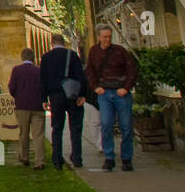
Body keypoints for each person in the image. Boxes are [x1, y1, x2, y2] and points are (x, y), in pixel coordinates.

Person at [85, 24, 138, 171]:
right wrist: (95, 87)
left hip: (121, 92)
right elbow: (90, 71)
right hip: (105, 93)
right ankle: (109, 157)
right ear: (99, 37)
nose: (107, 39)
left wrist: (126, 88)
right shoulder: (94, 52)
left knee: (126, 126)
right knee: (106, 124)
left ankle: (126, 158)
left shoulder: (120, 51)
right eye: (105, 37)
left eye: (109, 36)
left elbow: (132, 69)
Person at [39, 34, 86, 170]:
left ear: (51, 43)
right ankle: (77, 158)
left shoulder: (46, 58)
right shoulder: (72, 55)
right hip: (72, 95)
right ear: (64, 43)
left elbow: (42, 80)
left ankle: (57, 159)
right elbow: (80, 76)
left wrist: (44, 98)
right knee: (76, 128)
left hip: (56, 96)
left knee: (57, 128)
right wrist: (82, 95)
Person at [7, 48, 45, 169]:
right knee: (38, 134)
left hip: (22, 106)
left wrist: (18, 96)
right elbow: (44, 87)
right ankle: (39, 161)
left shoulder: (16, 70)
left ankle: (24, 157)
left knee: (24, 133)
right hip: (37, 106)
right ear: (33, 58)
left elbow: (12, 87)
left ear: (22, 57)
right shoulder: (39, 71)